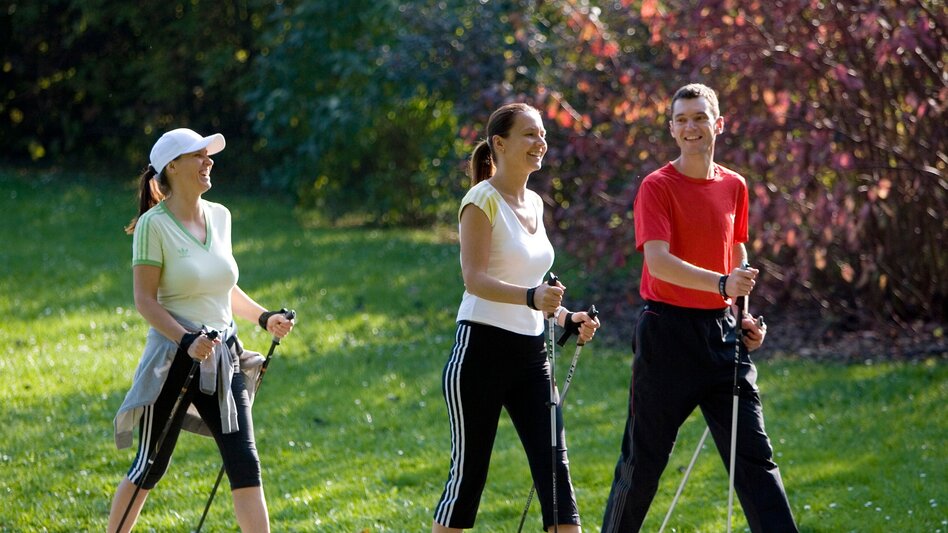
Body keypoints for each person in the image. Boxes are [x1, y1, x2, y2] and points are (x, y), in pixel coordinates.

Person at [600, 84, 798, 532]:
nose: (691, 127)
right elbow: (659, 263)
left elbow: (736, 253)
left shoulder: (734, 185)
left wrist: (742, 311)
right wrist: (722, 284)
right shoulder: (657, 186)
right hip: (665, 335)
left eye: (699, 117)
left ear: (718, 124)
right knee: (643, 462)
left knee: (755, 459)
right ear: (672, 128)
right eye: (682, 119)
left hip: (722, 336)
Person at [107, 128, 295, 533]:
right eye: (199, 155)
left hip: (223, 356)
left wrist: (264, 318)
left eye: (210, 155)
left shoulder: (221, 216)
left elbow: (221, 286)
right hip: (173, 360)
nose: (209, 161)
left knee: (245, 463)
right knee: (150, 466)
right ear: (172, 166)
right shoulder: (152, 226)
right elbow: (146, 301)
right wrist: (186, 340)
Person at [431, 103, 601, 533]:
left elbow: (534, 282)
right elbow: (475, 280)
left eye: (542, 134)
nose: (540, 142)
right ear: (500, 144)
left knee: (558, 481)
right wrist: (532, 297)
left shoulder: (536, 203)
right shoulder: (480, 200)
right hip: (480, 354)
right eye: (529, 134)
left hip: (531, 358)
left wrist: (564, 317)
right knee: (467, 483)